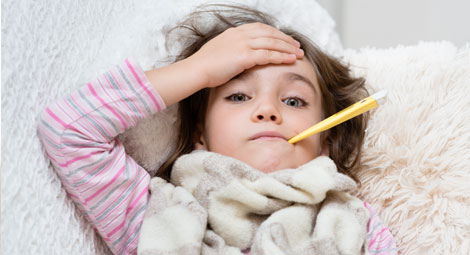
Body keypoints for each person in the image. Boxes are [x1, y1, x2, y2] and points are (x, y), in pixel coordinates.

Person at [38, 3, 396, 255]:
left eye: (293, 101)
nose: (268, 110)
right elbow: (69, 131)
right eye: (239, 96)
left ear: (325, 142)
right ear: (200, 135)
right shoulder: (155, 215)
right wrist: (199, 70)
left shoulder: (355, 223)